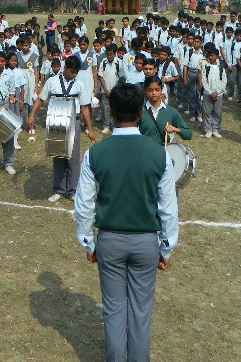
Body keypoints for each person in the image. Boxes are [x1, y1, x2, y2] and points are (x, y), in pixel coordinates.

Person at [74, 83, 179, 362]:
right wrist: (167, 247)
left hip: (110, 241)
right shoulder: (160, 154)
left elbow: (83, 204)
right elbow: (168, 208)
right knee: (141, 312)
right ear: (142, 111)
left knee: (113, 309)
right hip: (146, 243)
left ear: (110, 111)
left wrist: (88, 243)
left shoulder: (95, 153)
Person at [28, 55, 96, 202]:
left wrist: (90, 129)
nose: (74, 75)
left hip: (73, 122)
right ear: (65, 68)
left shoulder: (79, 84)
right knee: (58, 154)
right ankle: (59, 189)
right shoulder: (52, 82)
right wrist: (32, 115)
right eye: (72, 72)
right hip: (56, 121)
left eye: (76, 73)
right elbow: (40, 99)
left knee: (73, 157)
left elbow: (84, 107)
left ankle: (72, 190)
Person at [138, 76, 192, 146]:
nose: (154, 93)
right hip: (145, 149)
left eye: (157, 90)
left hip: (163, 150)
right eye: (150, 90)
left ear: (161, 90)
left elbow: (188, 134)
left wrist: (175, 129)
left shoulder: (171, 112)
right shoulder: (139, 111)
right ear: (145, 91)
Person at [200, 47, 227, 139]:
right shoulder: (206, 68)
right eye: (209, 56)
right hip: (208, 94)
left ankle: (215, 129)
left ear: (217, 57)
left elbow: (224, 81)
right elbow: (204, 81)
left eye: (212, 56)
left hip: (218, 94)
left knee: (217, 112)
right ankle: (208, 129)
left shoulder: (221, 68)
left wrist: (217, 92)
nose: (210, 57)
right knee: (207, 112)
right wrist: (210, 92)